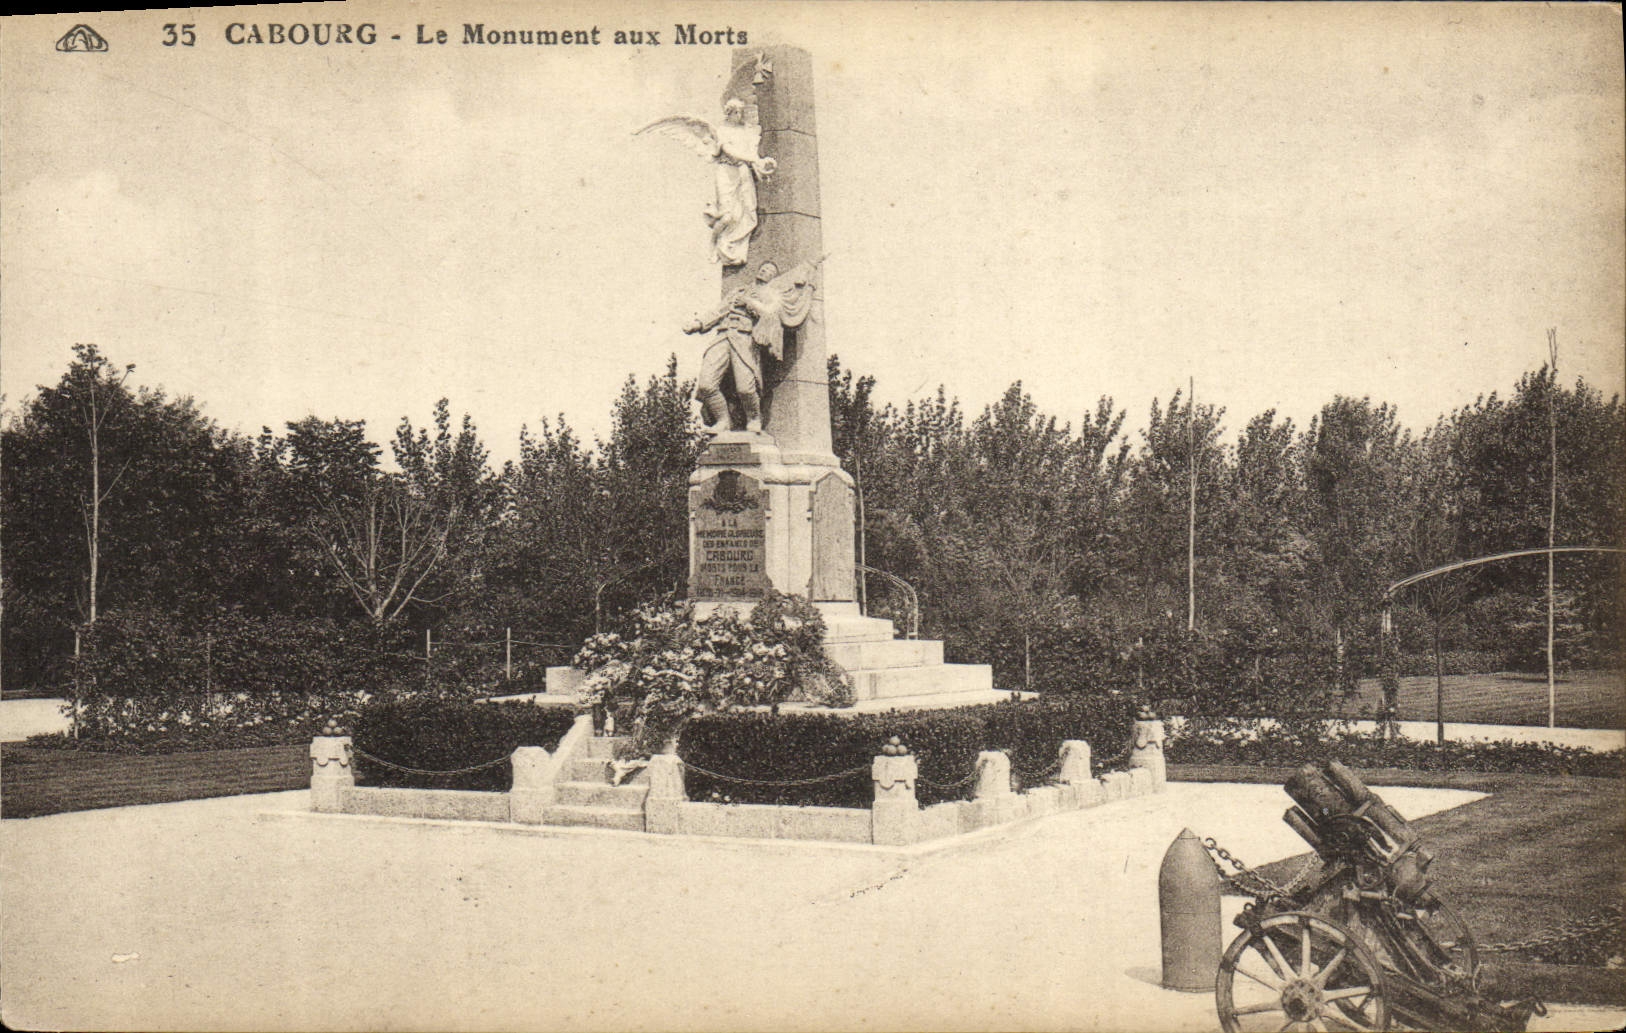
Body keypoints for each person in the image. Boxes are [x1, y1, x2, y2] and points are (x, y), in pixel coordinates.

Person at [685, 259, 815, 433]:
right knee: (706, 385)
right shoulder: (738, 291)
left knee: (746, 388)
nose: (764, 272)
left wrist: (749, 302)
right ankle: (723, 420)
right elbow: (718, 311)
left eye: (769, 271)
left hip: (745, 339)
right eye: (763, 268)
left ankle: (754, 419)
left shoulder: (771, 294)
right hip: (723, 336)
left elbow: (770, 313)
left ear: (773, 278)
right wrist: (698, 323)